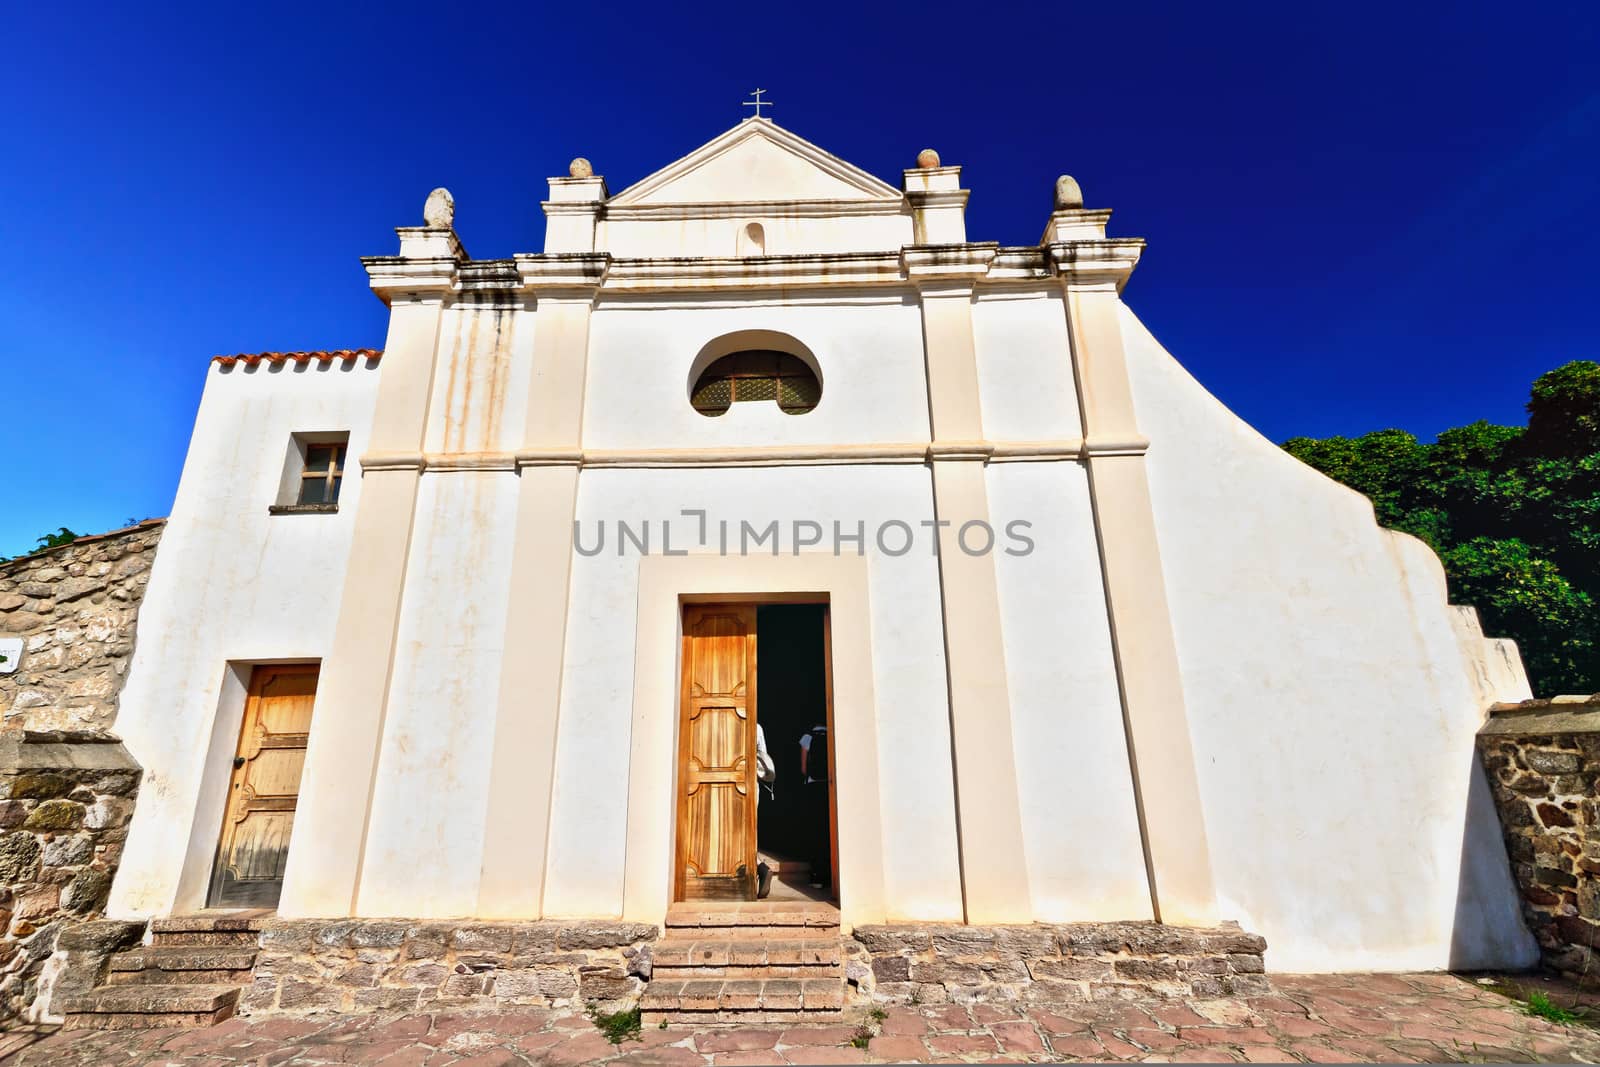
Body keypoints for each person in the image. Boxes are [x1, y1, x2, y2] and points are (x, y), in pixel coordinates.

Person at [798, 719, 831, 890]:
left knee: (815, 830)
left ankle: (817, 875)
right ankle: (832, 875)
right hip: (830, 786)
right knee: (829, 831)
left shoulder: (808, 736)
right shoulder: (832, 733)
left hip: (813, 785)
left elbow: (804, 769)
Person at [755, 723, 776, 898]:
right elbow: (763, 756)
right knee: (747, 831)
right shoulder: (757, 727)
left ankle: (760, 867)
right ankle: (760, 868)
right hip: (752, 786)